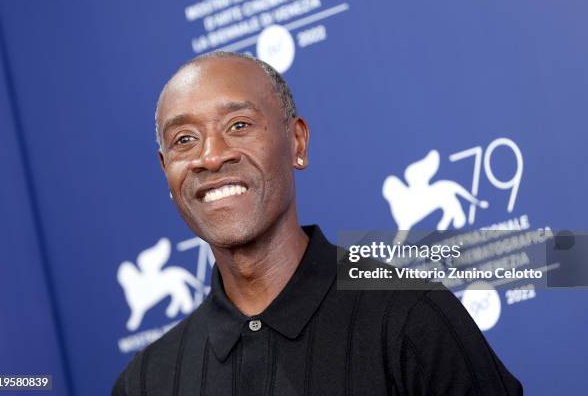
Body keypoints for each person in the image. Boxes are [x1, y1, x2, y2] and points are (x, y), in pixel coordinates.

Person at [112, 51, 523, 395]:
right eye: (185, 139)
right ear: (168, 171)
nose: (212, 156)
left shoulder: (411, 319)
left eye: (238, 126)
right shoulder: (145, 383)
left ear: (297, 142)